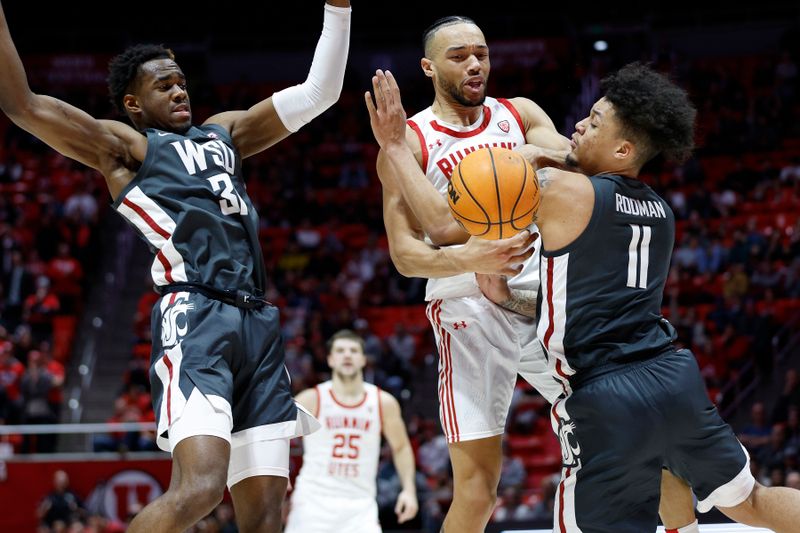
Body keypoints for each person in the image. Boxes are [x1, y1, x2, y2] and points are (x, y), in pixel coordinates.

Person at [367, 62, 800, 532]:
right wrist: (507, 298)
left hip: (604, 393)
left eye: (593, 122)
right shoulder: (660, 210)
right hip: (674, 377)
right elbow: (583, 300)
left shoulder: (558, 191)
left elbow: (441, 227)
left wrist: (394, 146)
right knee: (750, 500)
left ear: (622, 148)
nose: (576, 125)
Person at [0, 2, 351, 532]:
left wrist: (338, 8)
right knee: (201, 489)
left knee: (265, 518)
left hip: (258, 321)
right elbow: (21, 104)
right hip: (197, 317)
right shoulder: (128, 148)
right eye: (163, 86)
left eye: (181, 82)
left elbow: (320, 92)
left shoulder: (224, 134)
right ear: (133, 104)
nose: (179, 91)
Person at [367, 16, 567, 532]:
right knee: (478, 492)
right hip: (467, 305)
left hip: (542, 294)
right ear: (429, 67)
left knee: (617, 437)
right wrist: (472, 260)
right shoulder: (407, 141)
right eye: (459, 56)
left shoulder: (518, 114)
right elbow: (406, 255)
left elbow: (579, 157)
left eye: (481, 52)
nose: (475, 63)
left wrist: (532, 154)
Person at [285, 329, 418, 533]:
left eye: (354, 350)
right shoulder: (312, 398)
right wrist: (279, 472)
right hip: (313, 503)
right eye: (340, 351)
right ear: (330, 360)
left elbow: (400, 447)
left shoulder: (383, 402)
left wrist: (409, 490)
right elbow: (276, 437)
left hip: (360, 507)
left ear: (364, 359)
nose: (347, 355)